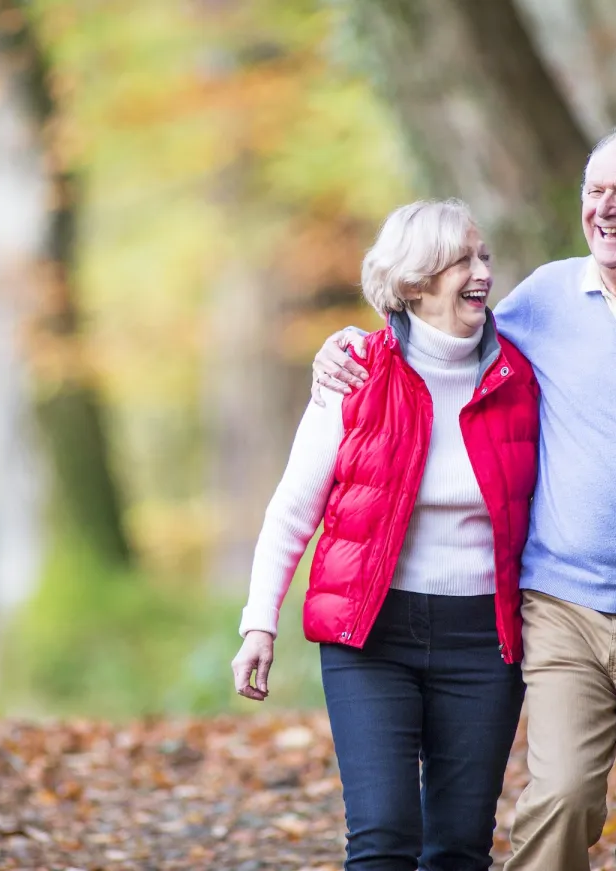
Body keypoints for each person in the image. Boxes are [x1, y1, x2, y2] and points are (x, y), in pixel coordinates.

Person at [311, 129, 616, 871]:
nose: (603, 208)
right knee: (562, 799)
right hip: (560, 608)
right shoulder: (545, 296)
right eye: (593, 191)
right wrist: (352, 344)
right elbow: (445, 342)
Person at [231, 199, 541, 871]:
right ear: (412, 283)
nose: (482, 270)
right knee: (383, 835)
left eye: (483, 255)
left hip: (483, 642)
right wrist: (259, 623)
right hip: (372, 638)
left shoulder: (522, 375)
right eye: (462, 259)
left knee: (459, 844)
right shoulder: (355, 374)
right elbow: (292, 511)